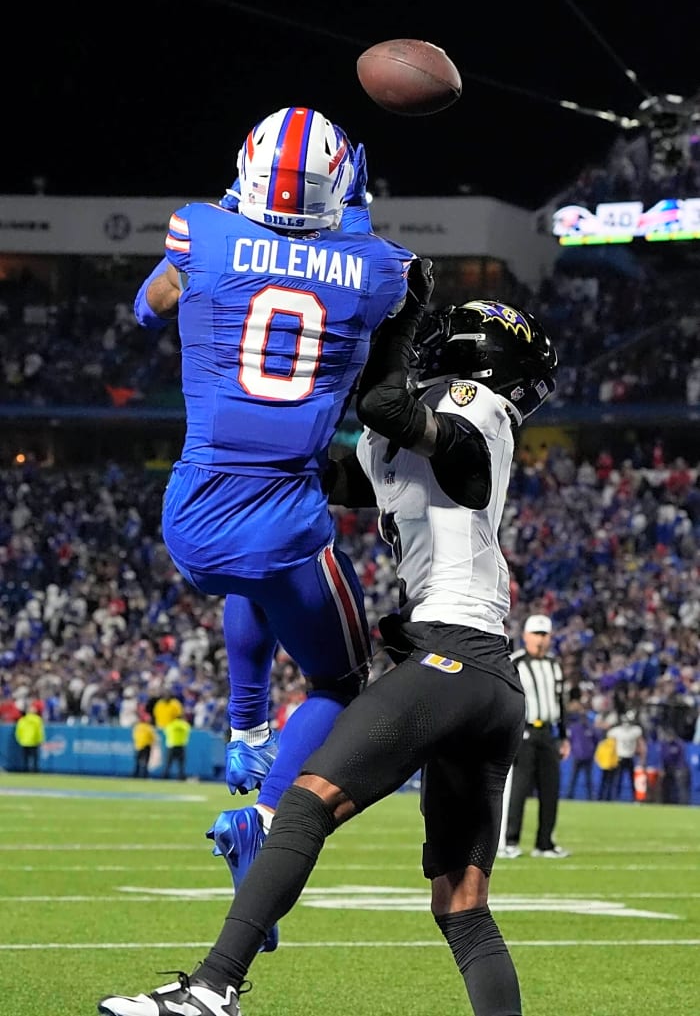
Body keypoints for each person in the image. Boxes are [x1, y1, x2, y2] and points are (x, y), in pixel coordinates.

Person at [97, 294, 559, 1016]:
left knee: (304, 804)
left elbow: (383, 405)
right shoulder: (417, 435)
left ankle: (213, 989)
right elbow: (331, 474)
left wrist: (399, 317)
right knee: (463, 908)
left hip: (452, 658)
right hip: (483, 679)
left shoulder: (480, 413)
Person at [132, 105, 415, 945]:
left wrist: (230, 224)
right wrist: (350, 207)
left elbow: (149, 306)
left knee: (247, 575)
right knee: (341, 681)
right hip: (286, 512)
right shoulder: (376, 268)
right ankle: (260, 814)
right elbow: (367, 266)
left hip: (192, 511)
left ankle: (248, 725)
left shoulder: (201, 230)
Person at [499, 614, 571, 858]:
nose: (540, 640)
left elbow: (560, 702)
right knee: (518, 789)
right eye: (536, 634)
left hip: (548, 733)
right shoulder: (515, 662)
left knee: (550, 789)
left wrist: (563, 736)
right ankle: (510, 841)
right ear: (526, 636)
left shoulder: (554, 665)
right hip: (524, 732)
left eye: (544, 635)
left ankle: (545, 843)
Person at [565, 689, 598, 800]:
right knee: (573, 778)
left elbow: (596, 739)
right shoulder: (575, 727)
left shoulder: (589, 727)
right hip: (578, 755)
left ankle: (591, 797)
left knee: (588, 779)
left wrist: (592, 750)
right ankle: (569, 796)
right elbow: (570, 740)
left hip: (587, 756)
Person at [608, 710, 646, 801]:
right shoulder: (617, 731)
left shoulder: (635, 730)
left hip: (630, 757)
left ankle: (634, 798)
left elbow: (641, 744)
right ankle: (615, 798)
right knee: (618, 780)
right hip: (620, 757)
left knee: (631, 780)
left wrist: (642, 756)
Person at [14, 705, 45, 772]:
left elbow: (18, 731)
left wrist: (19, 739)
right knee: (35, 757)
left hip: (24, 741)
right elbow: (39, 731)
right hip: (34, 741)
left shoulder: (22, 720)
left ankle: (25, 770)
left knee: (25, 757)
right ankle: (35, 770)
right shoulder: (37, 720)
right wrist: (40, 740)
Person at [162, 711, 192, 781]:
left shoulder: (171, 724)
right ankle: (181, 777)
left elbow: (165, 732)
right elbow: (188, 732)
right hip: (181, 745)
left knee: (168, 763)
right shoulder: (185, 725)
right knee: (181, 764)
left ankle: (165, 776)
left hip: (171, 745)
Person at [132, 711, 156, 779]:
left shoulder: (137, 727)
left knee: (137, 762)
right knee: (145, 762)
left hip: (138, 746)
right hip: (146, 746)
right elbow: (153, 737)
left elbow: (134, 736)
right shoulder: (148, 727)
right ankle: (144, 775)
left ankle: (135, 775)